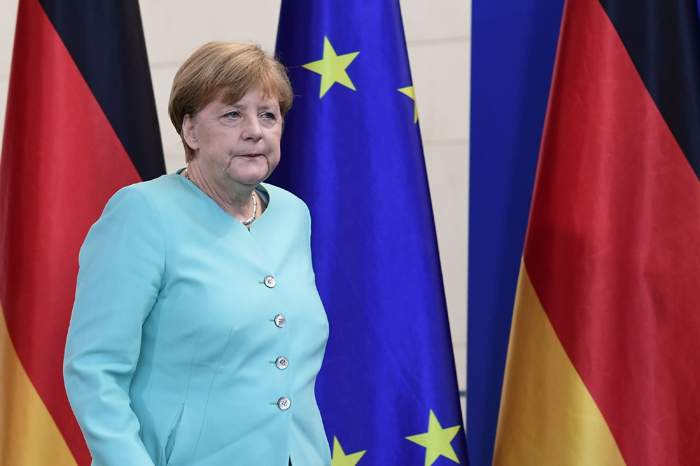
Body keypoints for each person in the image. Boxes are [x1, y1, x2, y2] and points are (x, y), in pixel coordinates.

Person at [63, 42, 330, 466]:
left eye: (268, 115)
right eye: (231, 114)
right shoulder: (142, 213)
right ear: (189, 131)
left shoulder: (293, 215)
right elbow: (94, 370)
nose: (254, 130)